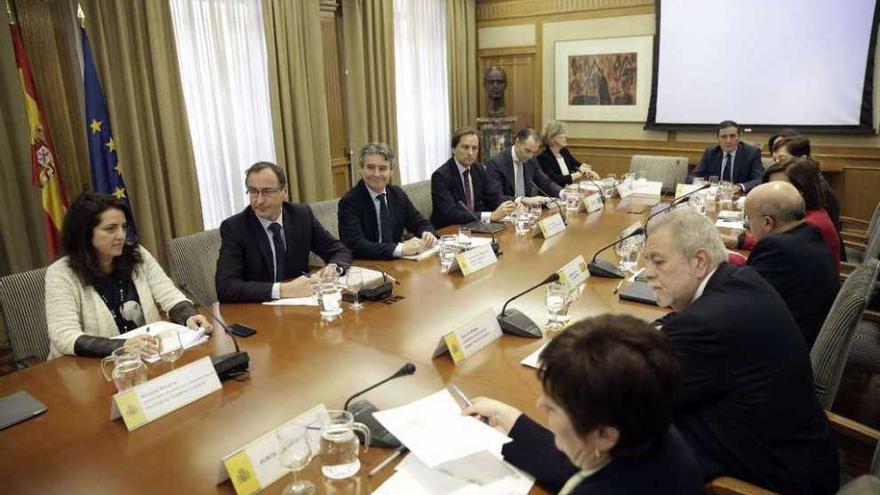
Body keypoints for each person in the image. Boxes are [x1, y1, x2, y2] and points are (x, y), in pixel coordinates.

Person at [643, 209, 839, 494]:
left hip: (771, 477)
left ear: (699, 261)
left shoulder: (705, 325)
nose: (648, 273)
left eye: (657, 261)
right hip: (802, 453)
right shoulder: (740, 277)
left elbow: (633, 401)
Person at [464, 314, 704, 495]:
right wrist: (508, 418)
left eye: (553, 405)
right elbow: (594, 465)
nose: (540, 405)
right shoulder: (652, 428)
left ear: (604, 435)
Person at [45, 192, 212, 359]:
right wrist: (123, 346)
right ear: (85, 233)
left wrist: (189, 316)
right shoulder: (61, 273)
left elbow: (169, 295)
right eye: (111, 229)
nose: (121, 235)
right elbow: (64, 337)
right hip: (91, 366)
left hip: (147, 357)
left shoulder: (137, 255)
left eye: (123, 227)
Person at [216, 161, 352, 303]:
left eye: (267, 192)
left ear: (284, 192)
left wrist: (333, 268)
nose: (259, 200)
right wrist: (283, 290)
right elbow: (226, 287)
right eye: (253, 191)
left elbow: (339, 251)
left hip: (300, 306)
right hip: (257, 309)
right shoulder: (235, 227)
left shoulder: (301, 215)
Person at [744, 182, 839, 347]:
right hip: (809, 328)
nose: (747, 226)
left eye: (748, 218)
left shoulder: (776, 248)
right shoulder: (809, 231)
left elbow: (743, 298)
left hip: (786, 345)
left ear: (768, 223)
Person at [730, 156, 841, 274]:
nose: (770, 192)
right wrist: (739, 241)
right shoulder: (808, 217)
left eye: (781, 187)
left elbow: (760, 271)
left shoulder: (811, 225)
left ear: (802, 190)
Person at [338, 143, 437, 259]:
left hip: (397, 263)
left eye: (383, 168)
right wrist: (401, 248)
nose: (376, 174)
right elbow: (356, 245)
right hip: (367, 264)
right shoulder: (349, 201)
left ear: (391, 172)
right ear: (361, 170)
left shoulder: (397, 194)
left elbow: (419, 222)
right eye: (370, 167)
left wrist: (427, 233)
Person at [430, 127, 516, 228]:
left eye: (474, 148)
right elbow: (450, 214)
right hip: (448, 231)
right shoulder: (441, 176)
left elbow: (492, 196)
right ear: (453, 149)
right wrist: (491, 215)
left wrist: (516, 202)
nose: (470, 153)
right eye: (465, 147)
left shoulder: (478, 169)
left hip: (474, 227)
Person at [770, 135, 843, 250]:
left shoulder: (812, 191)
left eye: (782, 159)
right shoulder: (810, 181)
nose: (776, 165)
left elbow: (789, 239)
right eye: (774, 160)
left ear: (802, 159)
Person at [486, 128, 563, 206]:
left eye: (533, 152)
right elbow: (495, 197)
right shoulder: (497, 163)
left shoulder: (532, 160)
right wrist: (523, 200)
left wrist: (563, 193)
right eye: (527, 151)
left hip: (526, 213)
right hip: (506, 214)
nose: (530, 156)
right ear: (517, 142)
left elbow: (544, 182)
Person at [691, 120, 764, 192]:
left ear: (739, 137)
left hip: (740, 197)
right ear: (718, 139)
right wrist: (701, 183)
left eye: (732, 136)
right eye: (723, 137)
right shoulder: (711, 153)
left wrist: (739, 187)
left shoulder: (751, 153)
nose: (728, 141)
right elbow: (691, 177)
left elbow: (759, 179)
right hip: (715, 197)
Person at [536, 120, 600, 187]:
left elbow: (576, 164)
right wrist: (578, 174)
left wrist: (587, 171)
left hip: (568, 192)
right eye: (563, 133)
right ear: (552, 136)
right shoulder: (543, 157)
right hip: (553, 195)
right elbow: (555, 179)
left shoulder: (564, 151)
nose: (567, 136)